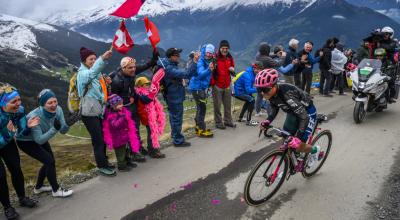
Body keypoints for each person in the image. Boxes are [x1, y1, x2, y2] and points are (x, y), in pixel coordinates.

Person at [255, 69, 324, 167]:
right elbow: (275, 108)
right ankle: (292, 162)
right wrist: (267, 121)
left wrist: (298, 139)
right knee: (286, 138)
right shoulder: (271, 93)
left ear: (275, 85)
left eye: (265, 89)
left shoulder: (287, 94)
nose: (262, 93)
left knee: (299, 145)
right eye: (259, 89)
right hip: (293, 113)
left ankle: (315, 150)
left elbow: (304, 117)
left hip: (307, 113)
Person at [16, 89, 74, 198]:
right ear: (43, 104)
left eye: (55, 101)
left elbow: (62, 130)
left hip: (40, 137)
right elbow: (39, 140)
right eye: (50, 103)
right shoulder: (34, 116)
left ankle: (38, 187)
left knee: (49, 161)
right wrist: (54, 129)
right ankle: (56, 190)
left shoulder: (59, 110)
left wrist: (67, 124)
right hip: (26, 141)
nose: (54, 105)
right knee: (49, 161)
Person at [109, 51, 159, 163]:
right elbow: (112, 97)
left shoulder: (131, 72)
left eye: (134, 67)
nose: (133, 69)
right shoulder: (117, 81)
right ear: (123, 68)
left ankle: (137, 148)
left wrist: (154, 59)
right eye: (130, 68)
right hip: (123, 108)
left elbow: (146, 66)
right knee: (130, 130)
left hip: (132, 104)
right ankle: (134, 153)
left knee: (135, 128)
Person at [0, 84, 40, 220]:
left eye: (19, 99)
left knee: (16, 168)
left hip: (8, 141)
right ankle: (7, 207)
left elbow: (21, 131)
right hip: (5, 138)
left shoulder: (20, 110)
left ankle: (22, 198)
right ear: (3, 103)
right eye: (13, 101)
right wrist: (8, 135)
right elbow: (10, 134)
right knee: (0, 176)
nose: (18, 104)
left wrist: (28, 127)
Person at [77, 47, 116, 176]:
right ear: (84, 61)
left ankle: (104, 161)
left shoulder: (96, 74)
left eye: (94, 58)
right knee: (98, 140)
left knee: (102, 138)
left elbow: (100, 92)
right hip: (88, 113)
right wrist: (102, 58)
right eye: (90, 59)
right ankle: (102, 166)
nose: (93, 61)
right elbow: (92, 74)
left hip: (98, 111)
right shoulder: (82, 74)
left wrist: (106, 83)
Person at [158, 48, 197, 147]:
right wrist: (194, 62)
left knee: (173, 117)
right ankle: (178, 140)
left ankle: (174, 135)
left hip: (171, 95)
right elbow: (186, 74)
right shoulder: (169, 68)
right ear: (171, 57)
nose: (179, 57)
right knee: (177, 118)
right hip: (174, 96)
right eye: (177, 55)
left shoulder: (167, 64)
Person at [102, 94, 141, 172]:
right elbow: (115, 125)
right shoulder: (110, 115)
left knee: (126, 150)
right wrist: (122, 118)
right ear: (113, 106)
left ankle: (128, 161)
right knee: (120, 153)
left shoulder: (122, 110)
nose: (121, 105)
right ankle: (121, 166)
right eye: (118, 104)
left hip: (125, 136)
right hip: (118, 138)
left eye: (121, 103)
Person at [134, 73, 167, 158]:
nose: (148, 86)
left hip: (151, 115)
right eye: (146, 84)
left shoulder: (147, 92)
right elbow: (146, 101)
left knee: (153, 132)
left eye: (149, 84)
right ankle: (152, 150)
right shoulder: (140, 94)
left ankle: (154, 148)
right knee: (151, 133)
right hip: (147, 117)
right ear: (140, 85)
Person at [189, 44, 214, 137]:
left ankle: (198, 127)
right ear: (205, 51)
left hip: (200, 87)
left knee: (200, 107)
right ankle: (202, 129)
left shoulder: (210, 59)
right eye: (207, 52)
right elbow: (200, 74)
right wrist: (209, 69)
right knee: (202, 107)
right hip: (197, 87)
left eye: (210, 53)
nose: (208, 54)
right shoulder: (201, 60)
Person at [211, 40, 236, 129]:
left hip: (227, 84)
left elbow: (232, 66)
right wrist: (213, 84)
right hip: (217, 85)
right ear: (220, 48)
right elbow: (211, 71)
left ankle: (228, 121)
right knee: (217, 106)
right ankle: (218, 122)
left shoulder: (229, 57)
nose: (225, 50)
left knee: (227, 105)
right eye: (223, 48)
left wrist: (232, 69)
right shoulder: (215, 58)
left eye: (226, 48)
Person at [233, 61, 264, 126]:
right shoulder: (248, 75)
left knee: (249, 100)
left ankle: (240, 118)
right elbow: (248, 90)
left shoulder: (252, 73)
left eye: (260, 70)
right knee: (252, 100)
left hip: (240, 91)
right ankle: (248, 121)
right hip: (238, 92)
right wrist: (259, 89)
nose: (258, 71)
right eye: (257, 69)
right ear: (253, 68)